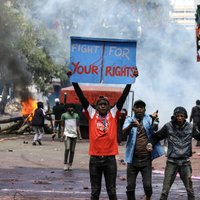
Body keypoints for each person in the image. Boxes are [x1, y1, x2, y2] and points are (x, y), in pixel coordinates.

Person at [72, 82, 131, 200]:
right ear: (96, 106)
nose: (103, 106)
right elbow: (81, 97)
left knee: (112, 192)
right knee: (95, 192)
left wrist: (130, 81)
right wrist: (74, 81)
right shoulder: (92, 113)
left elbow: (123, 97)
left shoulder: (113, 113)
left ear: (109, 107)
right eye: (100, 104)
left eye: (105, 104)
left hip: (110, 159)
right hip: (94, 159)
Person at [146, 106, 200, 200]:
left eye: (182, 116)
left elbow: (199, 137)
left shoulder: (190, 127)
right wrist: (150, 144)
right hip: (172, 162)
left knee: (190, 191)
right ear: (174, 116)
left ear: (185, 117)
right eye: (177, 116)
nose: (179, 118)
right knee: (164, 191)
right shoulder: (168, 126)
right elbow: (156, 137)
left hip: (185, 163)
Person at [123, 100, 164, 200]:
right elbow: (124, 132)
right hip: (132, 159)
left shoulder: (149, 118)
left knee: (148, 186)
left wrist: (155, 119)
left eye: (142, 107)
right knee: (130, 187)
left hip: (146, 159)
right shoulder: (129, 119)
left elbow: (154, 129)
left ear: (145, 109)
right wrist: (131, 125)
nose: (140, 109)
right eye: (137, 107)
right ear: (134, 109)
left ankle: (148, 197)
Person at [61, 103, 81, 171]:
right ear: (67, 108)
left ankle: (70, 164)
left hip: (74, 135)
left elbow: (77, 126)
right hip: (67, 134)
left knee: (72, 150)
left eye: (72, 107)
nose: (71, 109)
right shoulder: (64, 115)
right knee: (67, 148)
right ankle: (65, 164)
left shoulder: (76, 115)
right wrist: (62, 134)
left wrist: (79, 135)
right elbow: (62, 125)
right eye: (69, 107)